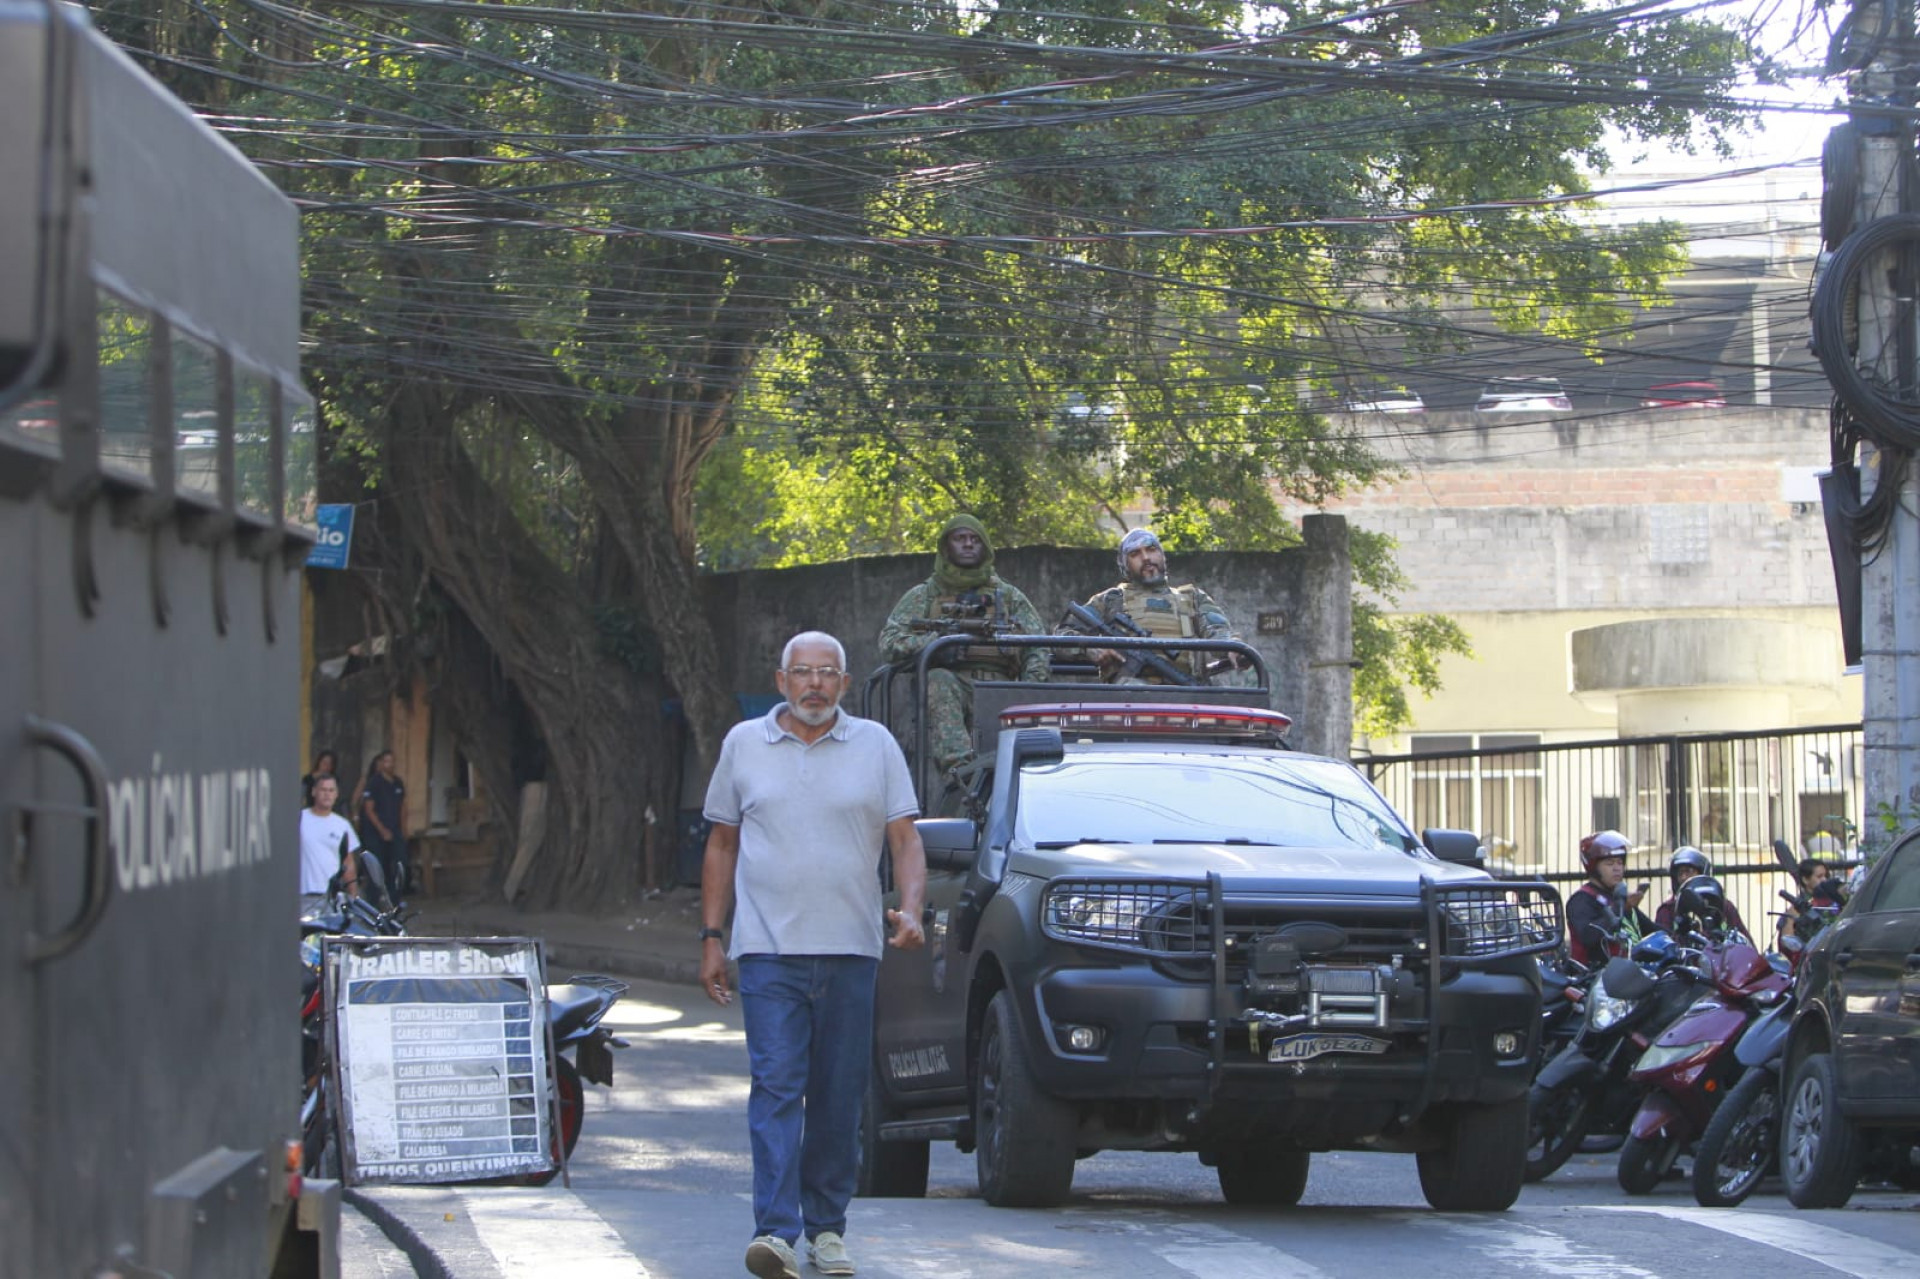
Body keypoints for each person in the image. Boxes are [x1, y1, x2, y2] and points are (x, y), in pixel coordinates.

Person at [700, 631, 927, 1279]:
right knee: (775, 1084)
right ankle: (775, 1230)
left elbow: (905, 839)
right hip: (768, 951)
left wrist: (911, 907)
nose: (815, 684)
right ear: (781, 680)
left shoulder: (875, 745)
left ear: (845, 684)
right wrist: (712, 937)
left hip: (852, 949)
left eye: (828, 672)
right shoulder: (744, 745)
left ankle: (827, 1228)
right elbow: (721, 844)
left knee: (837, 1094)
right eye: (803, 672)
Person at [878, 514, 1048, 778]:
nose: (968, 544)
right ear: (946, 547)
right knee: (937, 679)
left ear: (985, 548)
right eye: (960, 538)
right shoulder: (925, 595)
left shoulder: (1009, 596)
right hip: (950, 685)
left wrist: (1026, 691)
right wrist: (935, 646)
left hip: (1001, 688)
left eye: (975, 539)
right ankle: (961, 774)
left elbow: (1038, 646)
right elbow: (889, 642)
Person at [1080, 527, 1246, 684]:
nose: (1145, 557)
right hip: (1127, 702)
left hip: (1187, 696)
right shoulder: (1110, 600)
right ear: (1125, 566)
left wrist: (1233, 648)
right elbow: (1065, 634)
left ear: (1162, 556)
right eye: (1135, 553)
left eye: (1151, 549)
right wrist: (1092, 649)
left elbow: (1218, 632)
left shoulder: (1192, 598)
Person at [1565, 830, 1651, 968]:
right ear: (1593, 867)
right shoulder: (1581, 900)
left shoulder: (1618, 898)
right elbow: (1589, 936)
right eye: (1610, 864)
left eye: (1619, 862)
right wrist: (1620, 908)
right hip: (1594, 979)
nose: (1617, 868)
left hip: (1630, 973)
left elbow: (1650, 929)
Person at [1653, 846, 1748, 938]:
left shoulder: (1723, 906)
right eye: (1680, 873)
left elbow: (1746, 945)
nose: (1683, 877)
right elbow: (1662, 947)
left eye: (1688, 871)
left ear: (1702, 873)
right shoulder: (1667, 910)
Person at [299, 775, 361, 913]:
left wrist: (353, 896)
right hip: (303, 894)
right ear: (314, 792)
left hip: (333, 896)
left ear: (336, 794)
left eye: (331, 790)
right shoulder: (300, 819)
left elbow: (348, 862)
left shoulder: (342, 825)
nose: (327, 794)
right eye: (323, 790)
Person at [359, 749, 408, 897]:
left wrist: (403, 829)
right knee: (376, 866)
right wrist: (382, 829)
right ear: (381, 763)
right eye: (386, 761)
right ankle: (373, 901)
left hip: (395, 829)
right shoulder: (374, 783)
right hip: (376, 832)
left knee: (399, 863)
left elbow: (402, 807)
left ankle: (395, 899)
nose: (390, 765)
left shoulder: (398, 782)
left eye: (392, 761)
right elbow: (369, 809)